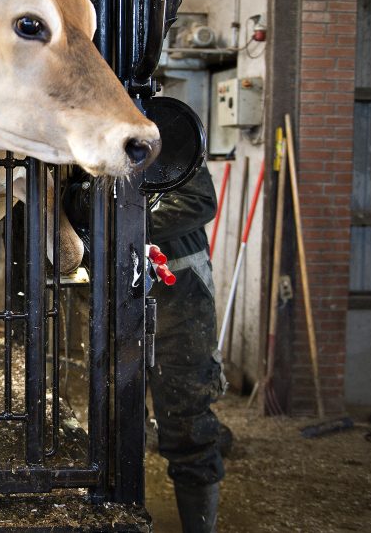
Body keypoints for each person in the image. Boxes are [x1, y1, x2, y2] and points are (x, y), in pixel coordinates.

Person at [147, 164, 226, 533]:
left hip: (180, 294)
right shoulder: (81, 136)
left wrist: (127, 217)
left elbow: (199, 200)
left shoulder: (171, 130)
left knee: (187, 418)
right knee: (113, 414)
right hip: (116, 289)